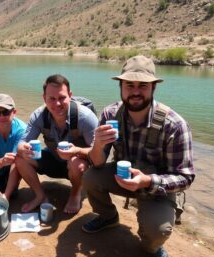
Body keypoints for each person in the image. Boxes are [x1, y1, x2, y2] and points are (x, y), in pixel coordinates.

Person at [81, 56, 195, 257]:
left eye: (143, 85)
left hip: (156, 187)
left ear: (153, 88)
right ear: (121, 87)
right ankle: (109, 217)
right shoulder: (110, 114)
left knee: (157, 232)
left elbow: (185, 178)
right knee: (90, 176)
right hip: (121, 177)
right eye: (129, 85)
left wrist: (147, 181)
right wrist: (98, 144)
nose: (135, 91)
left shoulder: (175, 125)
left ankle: (151, 246)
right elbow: (97, 162)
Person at [16, 74, 98, 214]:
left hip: (78, 166)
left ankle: (75, 194)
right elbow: (22, 143)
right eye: (52, 99)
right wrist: (22, 149)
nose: (57, 104)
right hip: (54, 160)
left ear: (70, 95)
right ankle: (40, 196)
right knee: (19, 159)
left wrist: (77, 150)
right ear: (44, 98)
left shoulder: (85, 117)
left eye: (62, 98)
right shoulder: (39, 116)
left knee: (75, 162)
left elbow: (98, 154)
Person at [0, 94, 26, 199]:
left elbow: (18, 162)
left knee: (12, 195)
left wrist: (6, 195)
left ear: (14, 113)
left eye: (6, 112)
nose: (2, 117)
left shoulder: (22, 130)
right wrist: (3, 161)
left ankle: (10, 188)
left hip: (14, 168)